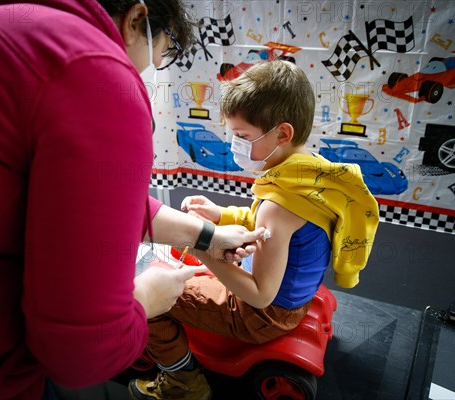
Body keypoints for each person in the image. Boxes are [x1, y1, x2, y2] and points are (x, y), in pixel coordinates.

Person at [0, 0, 264, 398]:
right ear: (138, 18)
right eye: (160, 50)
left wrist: (207, 235)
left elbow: (95, 202)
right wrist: (146, 299)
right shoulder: (91, 68)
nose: (146, 69)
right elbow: (81, 352)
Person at [128, 60, 380, 400]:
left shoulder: (281, 205)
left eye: (242, 136)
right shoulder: (309, 175)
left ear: (283, 133)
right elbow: (257, 218)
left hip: (261, 315)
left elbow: (260, 294)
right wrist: (221, 214)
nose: (235, 144)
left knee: (152, 304)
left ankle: (184, 382)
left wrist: (204, 248)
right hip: (292, 298)